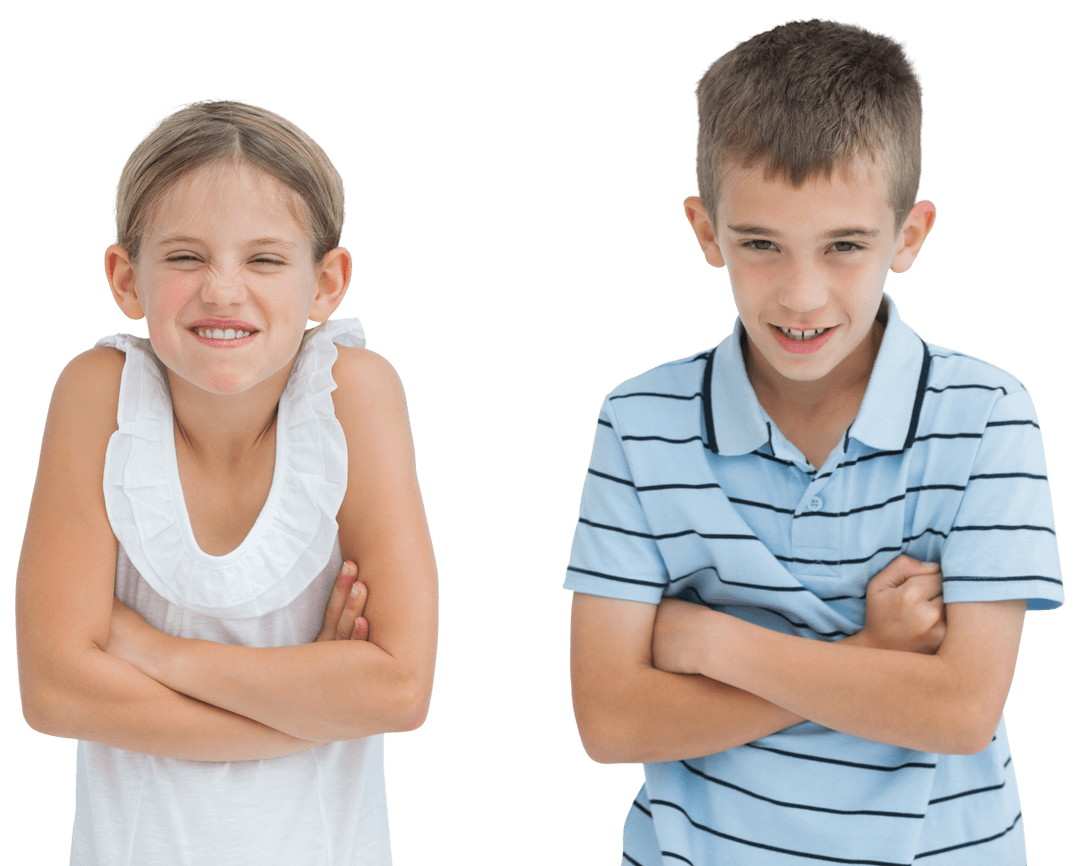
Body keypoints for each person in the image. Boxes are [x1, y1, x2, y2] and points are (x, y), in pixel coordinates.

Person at [564, 19, 1063, 865]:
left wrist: (712, 643)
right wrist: (871, 655)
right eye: (761, 244)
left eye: (844, 247)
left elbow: (958, 710)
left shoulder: (987, 415)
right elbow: (611, 722)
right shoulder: (639, 420)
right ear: (705, 230)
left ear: (909, 236)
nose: (801, 295)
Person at [15, 98, 439, 865]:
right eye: (185, 258)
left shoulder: (358, 394)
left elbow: (400, 690)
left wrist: (152, 652)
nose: (222, 289)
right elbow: (56, 693)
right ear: (126, 277)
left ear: (327, 282)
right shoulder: (96, 394)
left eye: (265, 259)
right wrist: (311, 706)